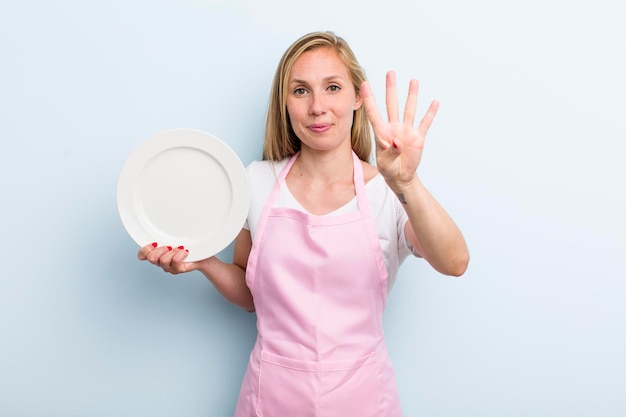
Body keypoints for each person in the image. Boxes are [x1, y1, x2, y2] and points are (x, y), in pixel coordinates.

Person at [138, 31, 469, 416]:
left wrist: (406, 181)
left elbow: (454, 262)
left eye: (332, 87)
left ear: (358, 98)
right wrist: (205, 263)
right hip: (271, 397)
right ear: (285, 103)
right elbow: (250, 298)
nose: (317, 107)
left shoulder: (388, 194)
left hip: (363, 399)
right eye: (300, 91)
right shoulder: (256, 182)